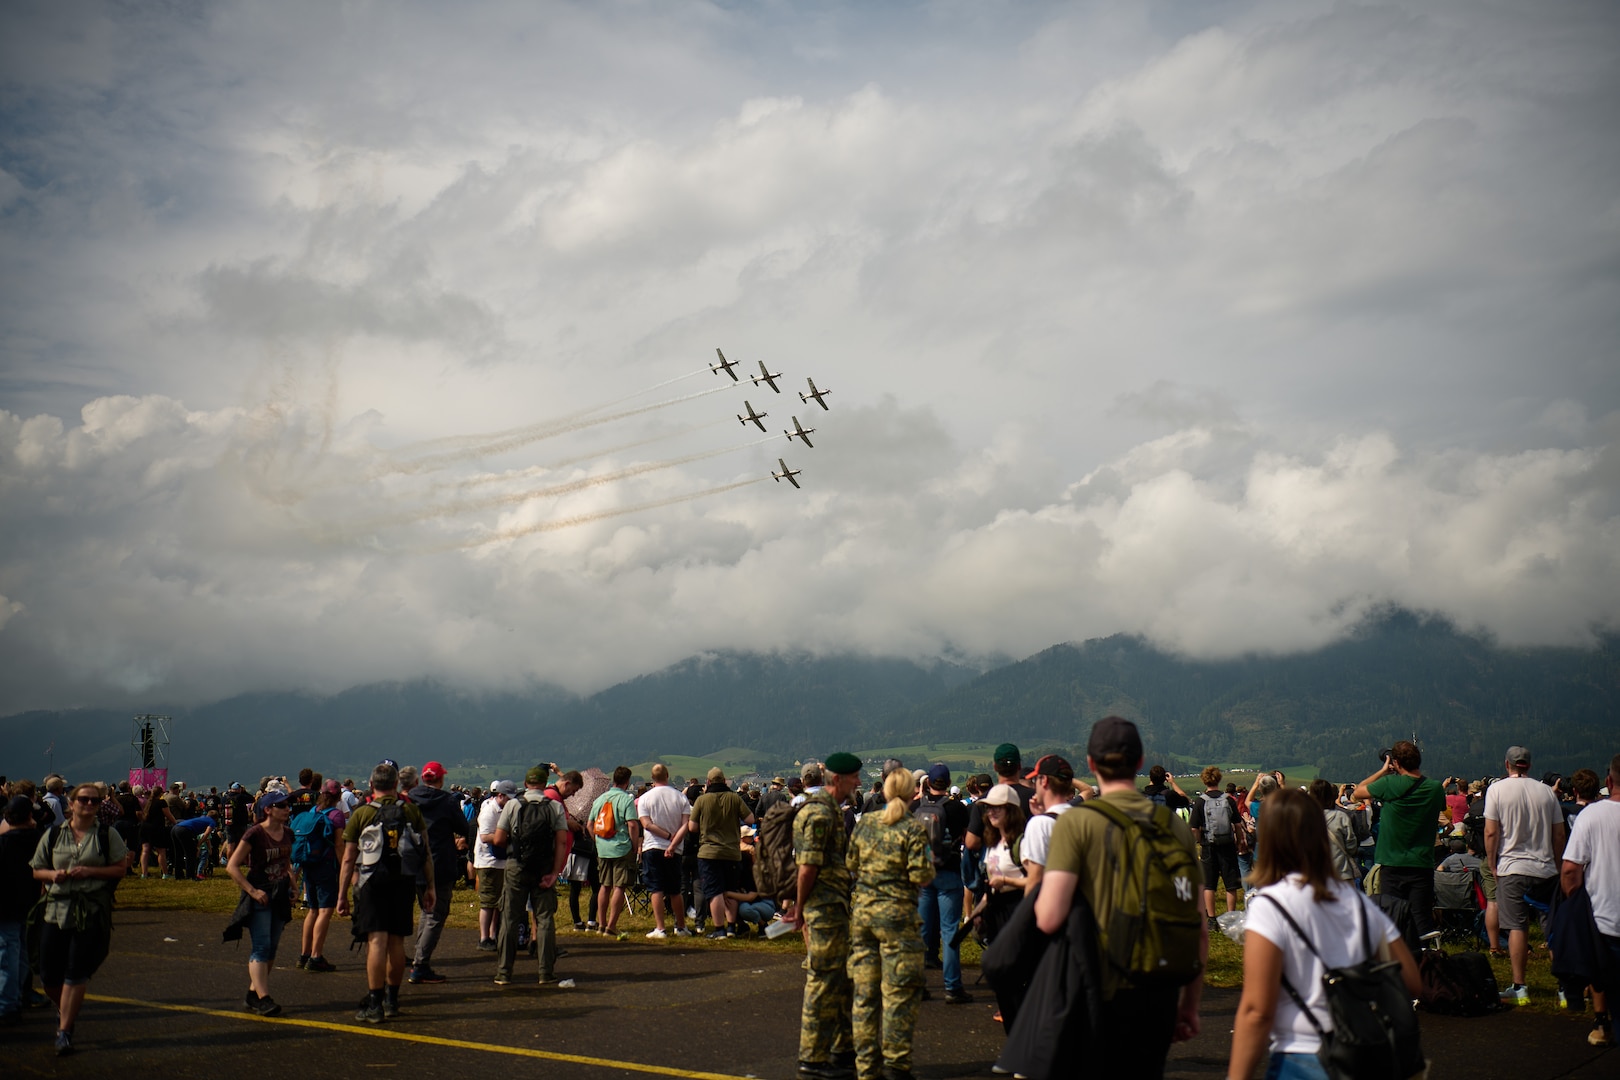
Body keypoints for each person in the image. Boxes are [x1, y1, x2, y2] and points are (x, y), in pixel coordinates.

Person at [1034, 718, 1205, 1077]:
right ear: (1140, 762)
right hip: (1159, 984)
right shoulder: (1172, 825)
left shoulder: (1077, 823)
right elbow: (1197, 921)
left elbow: (1048, 917)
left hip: (1096, 987)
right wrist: (1189, 1003)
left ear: (1092, 764)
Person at [1227, 786, 1421, 1080]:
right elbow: (1411, 981)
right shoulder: (1356, 902)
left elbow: (1257, 1011)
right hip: (1365, 1053)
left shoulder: (1270, 906)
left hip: (1303, 1054)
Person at [847, 766, 934, 1080]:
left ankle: (867, 1067)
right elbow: (921, 875)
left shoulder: (866, 823)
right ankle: (896, 1064)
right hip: (897, 916)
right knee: (899, 993)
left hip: (863, 916)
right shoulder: (912, 828)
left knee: (865, 993)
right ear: (913, 794)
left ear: (884, 791)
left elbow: (851, 864)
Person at [29, 782, 129, 1055]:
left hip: (89, 910)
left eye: (94, 801)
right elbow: (37, 870)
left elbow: (120, 868)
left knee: (76, 971)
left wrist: (90, 872)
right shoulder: (52, 835)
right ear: (70, 804)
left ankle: (65, 1030)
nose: (88, 805)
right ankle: (66, 1008)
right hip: (55, 910)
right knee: (49, 975)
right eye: (83, 800)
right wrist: (53, 876)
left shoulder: (108, 835)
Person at [338, 762, 434, 1022]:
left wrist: (342, 894)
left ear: (371, 785)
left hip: (372, 882)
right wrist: (430, 887)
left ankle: (375, 1003)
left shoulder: (362, 813)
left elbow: (348, 859)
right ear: (396, 784)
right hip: (403, 880)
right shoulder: (411, 810)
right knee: (396, 943)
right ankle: (392, 1000)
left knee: (376, 942)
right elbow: (425, 853)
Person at [788, 751, 863, 1080]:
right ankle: (813, 1057)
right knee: (821, 981)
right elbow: (807, 868)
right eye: (854, 777)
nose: (859, 783)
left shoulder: (832, 811)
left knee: (842, 980)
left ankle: (842, 1047)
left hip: (835, 906)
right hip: (822, 908)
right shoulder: (819, 815)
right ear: (837, 780)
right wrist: (800, 909)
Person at [1485, 744, 1566, 1005]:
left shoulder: (1496, 790)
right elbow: (1559, 834)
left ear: (1506, 764)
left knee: (1516, 926)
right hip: (1545, 868)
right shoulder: (1546, 792)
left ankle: (1520, 987)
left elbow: (1491, 832)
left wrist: (1492, 861)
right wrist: (1556, 863)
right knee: (1552, 927)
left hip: (1511, 866)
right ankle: (1565, 988)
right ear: (1529, 765)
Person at [1353, 740, 1446, 938]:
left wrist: (1384, 771)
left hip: (1391, 862)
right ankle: (1424, 961)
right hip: (1421, 863)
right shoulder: (1435, 788)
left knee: (1393, 919)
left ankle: (1398, 962)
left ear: (1396, 763)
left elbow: (1358, 792)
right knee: (1421, 918)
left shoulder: (1389, 784)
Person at [1561, 752, 1620, 1047]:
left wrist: (1576, 902)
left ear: (1609, 781)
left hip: (1604, 916)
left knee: (1602, 974)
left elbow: (1571, 870)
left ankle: (1602, 1021)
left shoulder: (1591, 816)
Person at [490, 765, 568, 987]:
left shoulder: (513, 805)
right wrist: (555, 872)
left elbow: (498, 839)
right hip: (543, 868)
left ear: (525, 784)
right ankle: (545, 972)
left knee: (509, 919)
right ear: (545, 784)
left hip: (516, 866)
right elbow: (561, 841)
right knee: (544, 919)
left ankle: (504, 972)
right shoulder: (554, 806)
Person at [223, 788, 295, 1017]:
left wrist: (293, 886)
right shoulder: (254, 834)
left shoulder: (288, 833)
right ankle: (264, 998)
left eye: (287, 805)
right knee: (261, 946)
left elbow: (287, 863)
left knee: (272, 947)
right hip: (260, 894)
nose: (287, 809)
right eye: (282, 806)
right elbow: (232, 866)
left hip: (280, 894)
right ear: (268, 810)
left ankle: (253, 993)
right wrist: (252, 891)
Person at [406, 760, 473, 984]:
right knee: (435, 914)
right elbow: (463, 827)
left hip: (414, 863)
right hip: (440, 864)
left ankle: (418, 957)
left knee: (426, 911)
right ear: (441, 778)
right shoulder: (446, 801)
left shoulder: (410, 799)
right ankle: (420, 964)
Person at [915, 763, 971, 1005]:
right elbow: (968, 837)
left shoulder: (918, 806)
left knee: (922, 930)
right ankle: (952, 987)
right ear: (948, 783)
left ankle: (918, 985)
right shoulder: (957, 807)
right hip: (949, 871)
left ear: (928, 783)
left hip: (924, 873)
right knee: (949, 931)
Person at [691, 767, 755, 939]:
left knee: (714, 891)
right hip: (732, 851)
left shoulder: (702, 800)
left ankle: (719, 929)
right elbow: (750, 819)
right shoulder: (734, 798)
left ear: (709, 782)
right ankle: (732, 927)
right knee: (730, 889)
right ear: (725, 781)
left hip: (709, 852)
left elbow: (692, 827)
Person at [0, 795, 43, 1023]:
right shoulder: (37, 839)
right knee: (22, 953)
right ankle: (18, 996)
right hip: (29, 903)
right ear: (29, 816)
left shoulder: (5, 842)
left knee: (7, 956)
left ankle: (8, 1005)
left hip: (6, 907)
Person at [294, 780, 345, 972]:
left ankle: (304, 954)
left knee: (312, 910)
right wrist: (344, 867)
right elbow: (339, 845)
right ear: (338, 796)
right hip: (326, 866)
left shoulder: (313, 812)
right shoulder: (336, 815)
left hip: (310, 864)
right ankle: (316, 956)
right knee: (325, 910)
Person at [637, 763, 692, 938]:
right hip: (675, 849)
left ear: (652, 778)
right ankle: (681, 926)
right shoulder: (680, 798)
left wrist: (667, 837)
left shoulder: (645, 798)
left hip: (652, 846)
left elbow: (646, 824)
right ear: (667, 775)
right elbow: (686, 826)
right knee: (675, 889)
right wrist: (673, 844)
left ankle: (660, 928)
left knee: (656, 888)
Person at [1189, 765, 1245, 930]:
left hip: (1208, 845)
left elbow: (1194, 827)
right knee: (1231, 883)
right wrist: (1239, 840)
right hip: (1227, 844)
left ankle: (1212, 919)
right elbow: (1237, 824)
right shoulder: (1228, 800)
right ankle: (1230, 917)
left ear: (1204, 780)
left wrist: (1199, 841)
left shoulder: (1200, 802)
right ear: (1219, 779)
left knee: (1209, 884)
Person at [590, 765, 642, 939]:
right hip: (621, 847)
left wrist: (597, 840)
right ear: (627, 782)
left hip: (603, 848)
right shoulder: (626, 800)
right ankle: (612, 925)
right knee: (619, 886)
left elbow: (590, 825)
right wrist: (634, 845)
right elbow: (633, 824)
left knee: (604, 886)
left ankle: (601, 924)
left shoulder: (600, 799)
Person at [977, 784, 1026, 945]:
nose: (991, 812)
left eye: (997, 807)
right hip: (995, 911)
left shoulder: (1022, 843)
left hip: (1016, 911)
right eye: (988, 808)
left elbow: (1036, 880)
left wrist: (1006, 881)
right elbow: (992, 882)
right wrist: (977, 913)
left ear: (1011, 811)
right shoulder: (993, 843)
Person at [474, 780, 515, 950]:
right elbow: (485, 836)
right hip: (488, 861)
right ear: (500, 795)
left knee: (497, 901)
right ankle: (484, 937)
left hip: (500, 860)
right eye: (508, 798)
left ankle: (492, 934)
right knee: (488, 900)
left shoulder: (505, 809)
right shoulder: (489, 811)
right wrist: (506, 840)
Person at [1308, 779, 1359, 883]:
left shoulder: (1305, 819)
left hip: (1315, 875)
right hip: (1341, 873)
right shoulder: (1341, 817)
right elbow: (1351, 846)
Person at [137, 787, 173, 879]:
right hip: (157, 828)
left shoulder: (148, 802)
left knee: (145, 850)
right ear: (160, 793)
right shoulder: (161, 803)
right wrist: (176, 822)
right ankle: (165, 873)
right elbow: (168, 815)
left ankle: (144, 873)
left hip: (145, 828)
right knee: (161, 851)